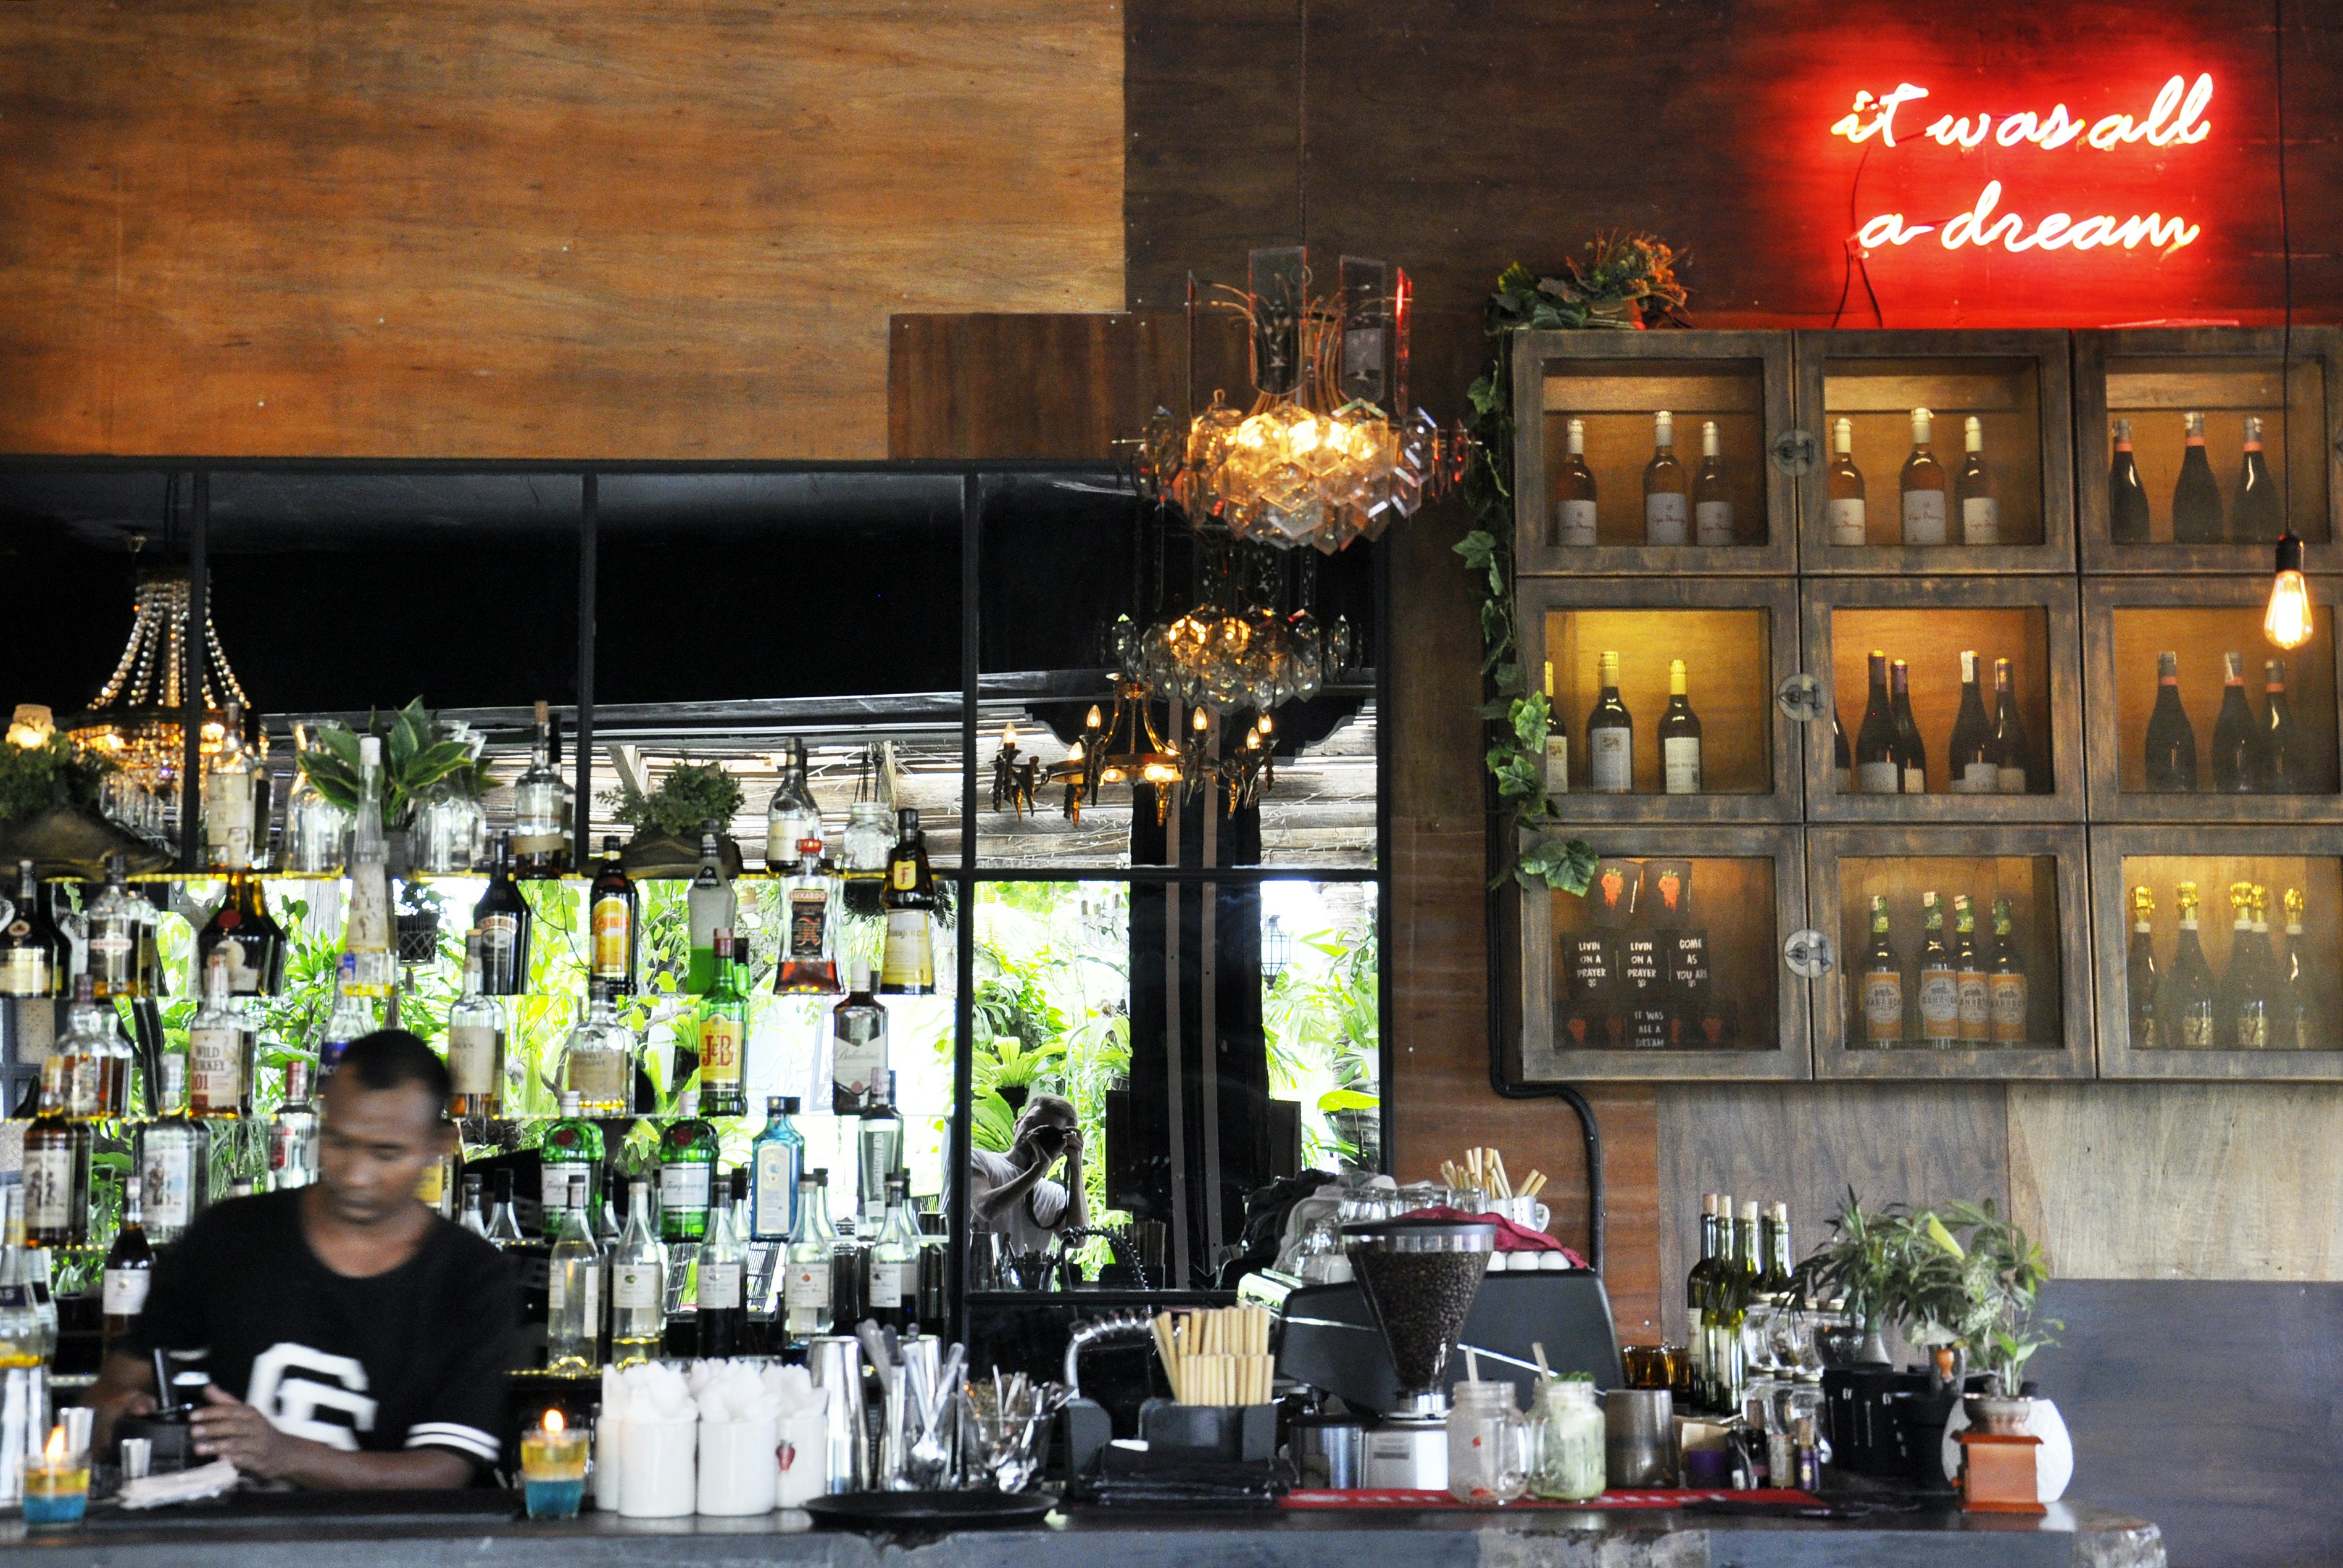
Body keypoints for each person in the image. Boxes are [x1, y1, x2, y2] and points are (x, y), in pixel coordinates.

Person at [89, 1031, 515, 1487]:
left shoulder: (471, 1278)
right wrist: (123, 1414)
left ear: (440, 1145)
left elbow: (444, 1469)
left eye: (386, 1152)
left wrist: (286, 1453)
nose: (357, 1174)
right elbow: (114, 1387)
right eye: (339, 1142)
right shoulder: (228, 1237)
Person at [969, 1092, 1087, 1253]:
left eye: (1046, 1132)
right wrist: (1039, 1169)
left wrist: (1076, 1165)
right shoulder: (977, 1159)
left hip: (1031, 1279)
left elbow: (1077, 1240)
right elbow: (986, 1208)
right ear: (1017, 1123)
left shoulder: (1054, 1195)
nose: (1033, 1134)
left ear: (1063, 1144)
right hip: (978, 1276)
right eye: (1031, 1123)